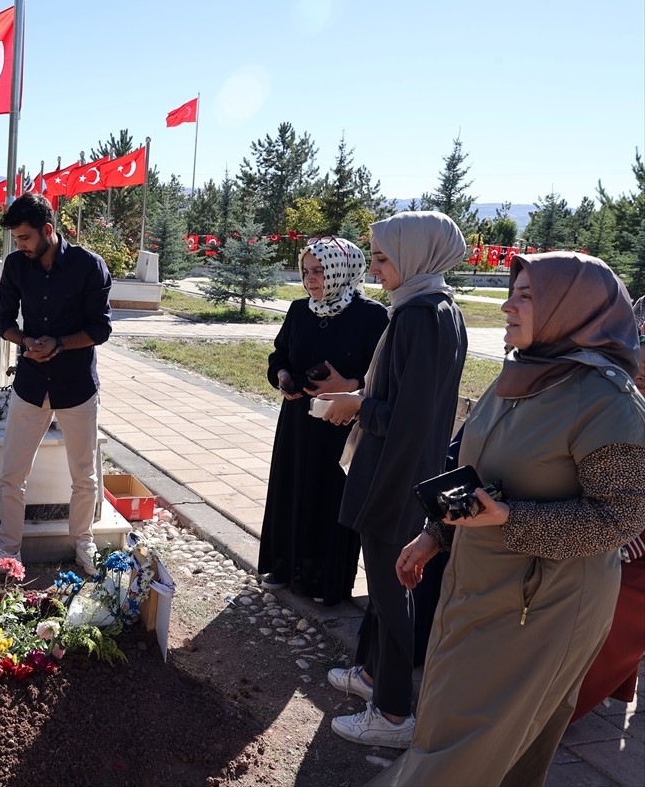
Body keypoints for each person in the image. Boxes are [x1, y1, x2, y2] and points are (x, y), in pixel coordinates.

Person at [373, 252, 645, 785]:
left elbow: (619, 520)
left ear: (572, 309)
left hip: (544, 606)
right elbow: (483, 474)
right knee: (479, 735)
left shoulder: (609, 403)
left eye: (525, 296)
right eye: (511, 292)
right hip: (481, 585)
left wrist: (509, 519)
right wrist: (435, 535)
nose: (505, 306)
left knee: (468, 742)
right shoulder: (521, 375)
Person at [318, 211, 468, 749]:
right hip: (401, 466)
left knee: (389, 587)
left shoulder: (420, 316)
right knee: (383, 587)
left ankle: (394, 713)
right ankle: (373, 674)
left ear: (417, 256)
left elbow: (411, 415)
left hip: (395, 472)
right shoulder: (431, 308)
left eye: (383, 258)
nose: (375, 268)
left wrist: (358, 406)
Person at [0, 193, 112, 576]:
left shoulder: (89, 266)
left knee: (84, 474)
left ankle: (83, 544)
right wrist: (26, 342)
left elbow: (100, 328)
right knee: (12, 473)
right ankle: (9, 550)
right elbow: (3, 321)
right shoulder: (15, 266)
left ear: (48, 230)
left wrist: (58, 343)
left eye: (24, 237)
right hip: (30, 383)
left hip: (76, 385)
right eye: (15, 239)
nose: (19, 246)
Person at [260, 237, 388, 605]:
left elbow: (384, 376)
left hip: (341, 425)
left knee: (330, 496)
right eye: (306, 271)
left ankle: (324, 581)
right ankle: (284, 566)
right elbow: (278, 356)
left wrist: (348, 386)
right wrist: (282, 378)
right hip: (299, 422)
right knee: (292, 486)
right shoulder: (300, 311)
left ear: (341, 270)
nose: (311, 279)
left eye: (319, 271)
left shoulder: (371, 316)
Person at [569, 301, 645, 724]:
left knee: (621, 609)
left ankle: (563, 709)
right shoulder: (608, 389)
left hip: (635, 537)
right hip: (609, 518)